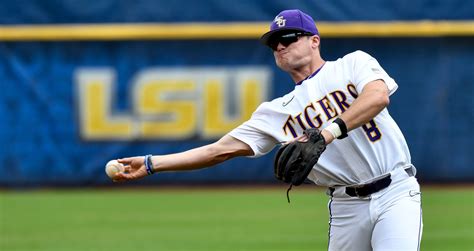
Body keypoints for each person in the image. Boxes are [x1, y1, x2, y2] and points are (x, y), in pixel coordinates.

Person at [114, 9, 423, 251]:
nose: (280, 46)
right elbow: (217, 151)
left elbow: (378, 97)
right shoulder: (275, 112)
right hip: (344, 206)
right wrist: (152, 163)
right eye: (274, 43)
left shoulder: (352, 64)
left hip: (395, 192)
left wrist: (327, 132)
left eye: (288, 38)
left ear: (314, 40)